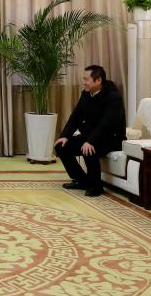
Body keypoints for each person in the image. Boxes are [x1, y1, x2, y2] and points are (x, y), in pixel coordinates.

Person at [54, 65, 126, 197]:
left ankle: (96, 186)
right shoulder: (86, 94)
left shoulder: (113, 97)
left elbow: (107, 123)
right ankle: (82, 181)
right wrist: (65, 135)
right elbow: (75, 116)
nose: (84, 82)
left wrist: (91, 141)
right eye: (84, 79)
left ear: (98, 80)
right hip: (91, 136)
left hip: (111, 138)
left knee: (87, 149)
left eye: (86, 79)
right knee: (61, 147)